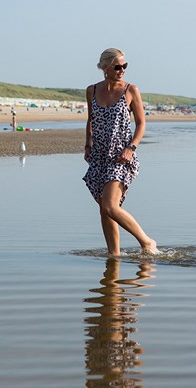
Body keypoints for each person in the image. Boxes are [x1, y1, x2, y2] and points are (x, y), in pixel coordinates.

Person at [83, 48, 158, 256]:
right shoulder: (92, 90)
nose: (122, 70)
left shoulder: (131, 90)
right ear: (105, 67)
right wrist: (87, 144)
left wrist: (131, 148)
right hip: (99, 156)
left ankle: (147, 241)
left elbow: (141, 124)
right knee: (104, 211)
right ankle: (114, 256)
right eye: (117, 66)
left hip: (120, 157)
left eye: (125, 66)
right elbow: (91, 119)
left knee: (110, 206)